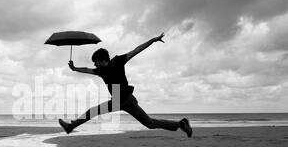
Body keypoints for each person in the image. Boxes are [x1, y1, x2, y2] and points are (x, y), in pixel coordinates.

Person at [58, 32, 193, 137]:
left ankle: (180, 124)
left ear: (102, 60)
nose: (94, 64)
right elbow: (87, 70)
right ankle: (70, 127)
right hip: (116, 100)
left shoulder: (117, 61)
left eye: (96, 62)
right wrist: (74, 68)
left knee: (150, 123)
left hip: (127, 100)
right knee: (92, 111)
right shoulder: (101, 71)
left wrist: (152, 40)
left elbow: (136, 50)